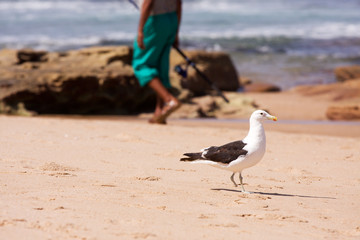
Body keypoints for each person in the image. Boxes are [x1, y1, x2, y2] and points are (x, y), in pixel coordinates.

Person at [132, 0, 182, 124]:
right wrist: (176, 32)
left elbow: (148, 2)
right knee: (161, 65)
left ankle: (169, 100)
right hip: (171, 19)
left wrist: (140, 31)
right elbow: (179, 3)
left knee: (141, 64)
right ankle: (159, 112)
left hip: (155, 21)